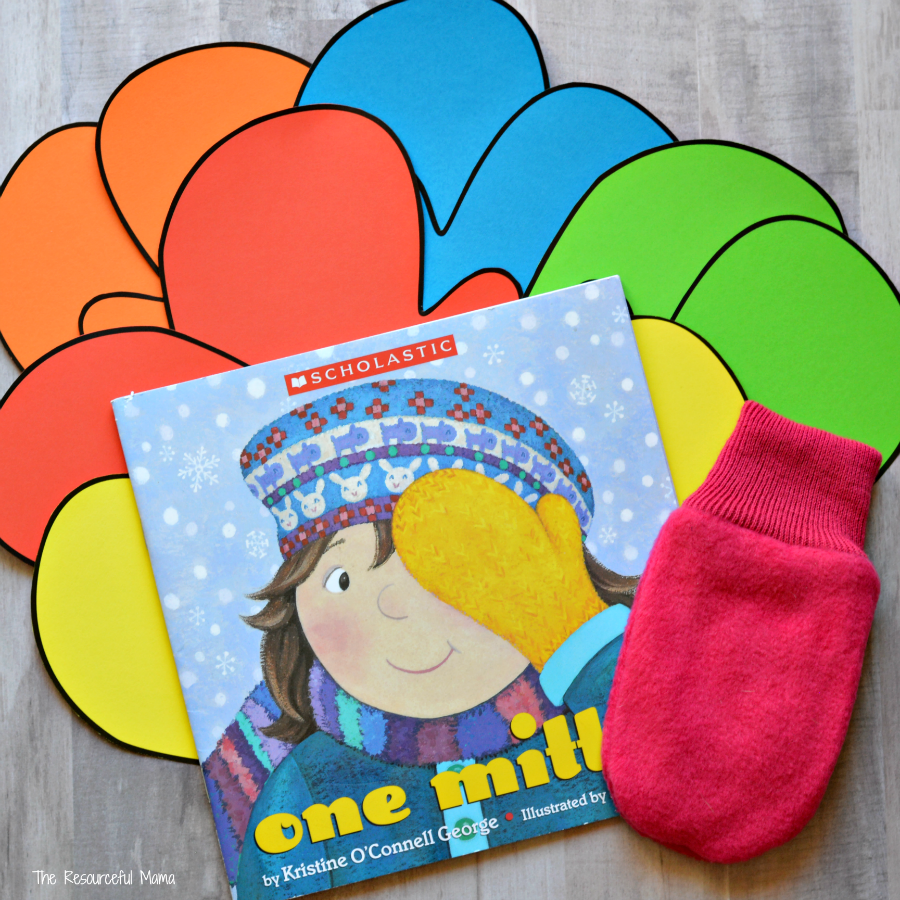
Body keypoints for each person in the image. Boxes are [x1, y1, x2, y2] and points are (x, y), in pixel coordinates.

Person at [204, 379, 637, 896]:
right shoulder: (306, 787)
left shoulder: (600, 709)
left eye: (439, 568)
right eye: (341, 580)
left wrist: (586, 645)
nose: (395, 605)